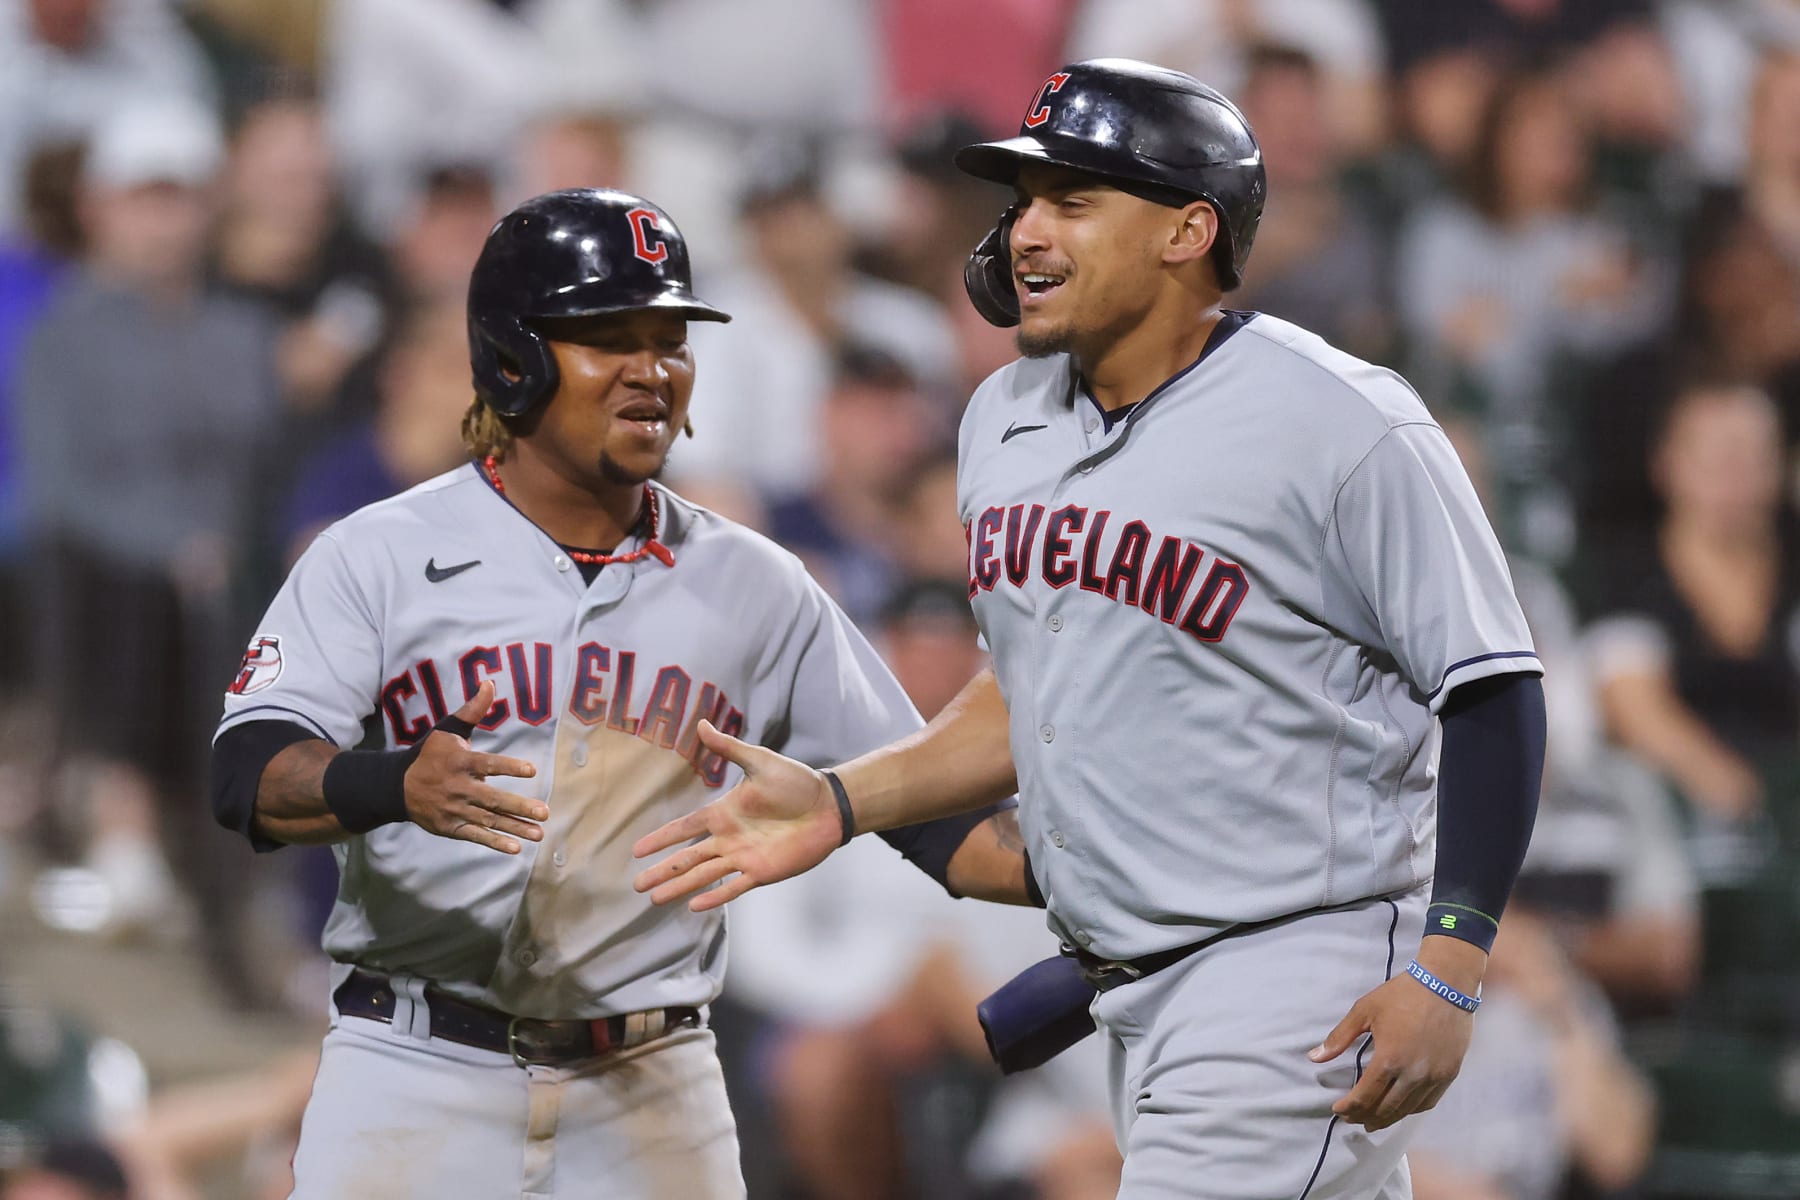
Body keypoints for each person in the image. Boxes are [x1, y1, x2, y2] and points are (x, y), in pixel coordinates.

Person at [636, 60, 1547, 1198]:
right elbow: (1031, 694)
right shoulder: (1003, 420)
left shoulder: (1343, 420)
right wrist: (841, 800)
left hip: (1290, 979)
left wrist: (1452, 967)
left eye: (1073, 201)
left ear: (1188, 230)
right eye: (1024, 202)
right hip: (1126, 993)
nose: (1027, 232)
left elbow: (1494, 687)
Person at [206, 187, 1029, 1199]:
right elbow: (248, 774)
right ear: (513, 356)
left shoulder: (757, 586)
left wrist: (1155, 882)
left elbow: (945, 827)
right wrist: (389, 784)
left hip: (652, 1085)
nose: (654, 371)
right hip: (416, 1070)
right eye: (610, 338)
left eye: (671, 339)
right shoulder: (378, 554)